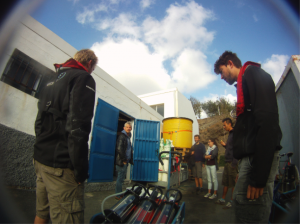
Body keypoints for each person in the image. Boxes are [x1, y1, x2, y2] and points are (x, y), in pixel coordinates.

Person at [214, 51, 282, 223]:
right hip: (249, 161)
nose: (221, 77)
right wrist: (243, 167)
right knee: (242, 205)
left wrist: (258, 176)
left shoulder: (253, 73)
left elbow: (267, 123)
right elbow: (249, 131)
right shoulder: (244, 83)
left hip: (256, 160)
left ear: (230, 63)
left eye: (221, 72)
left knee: (251, 212)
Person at [33, 49, 98, 224]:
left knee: (42, 213)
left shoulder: (51, 79)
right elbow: (78, 127)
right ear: (90, 64)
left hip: (40, 159)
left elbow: (39, 121)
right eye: (93, 68)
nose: (92, 72)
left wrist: (41, 147)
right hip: (61, 167)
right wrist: (80, 170)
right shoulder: (83, 78)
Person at [215, 118, 238, 208]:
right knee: (225, 182)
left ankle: (232, 201)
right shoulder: (230, 135)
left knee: (233, 183)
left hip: (232, 162)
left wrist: (234, 162)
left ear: (229, 124)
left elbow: (237, 148)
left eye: (224, 125)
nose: (223, 127)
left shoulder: (235, 133)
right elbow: (230, 148)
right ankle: (223, 199)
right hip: (227, 162)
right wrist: (225, 146)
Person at [115, 122, 134, 200]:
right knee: (120, 179)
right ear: (124, 128)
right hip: (122, 161)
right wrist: (124, 160)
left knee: (121, 179)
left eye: (130, 127)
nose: (129, 128)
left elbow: (129, 149)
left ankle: (119, 193)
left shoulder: (128, 137)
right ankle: (118, 195)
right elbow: (119, 149)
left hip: (125, 161)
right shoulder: (122, 137)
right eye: (127, 127)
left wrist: (130, 160)